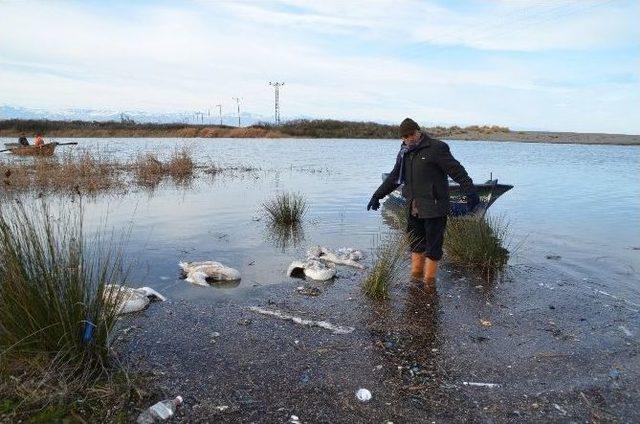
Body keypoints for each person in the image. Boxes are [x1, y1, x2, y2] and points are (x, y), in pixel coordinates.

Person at [367, 118, 479, 289]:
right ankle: (415, 279)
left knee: (433, 248)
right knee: (416, 245)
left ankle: (429, 284)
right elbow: (394, 177)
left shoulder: (437, 147)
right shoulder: (404, 152)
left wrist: (470, 190)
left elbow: (457, 171)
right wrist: (377, 195)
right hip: (413, 207)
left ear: (418, 131)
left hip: (435, 207)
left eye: (411, 134)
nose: (409, 138)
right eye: (405, 136)